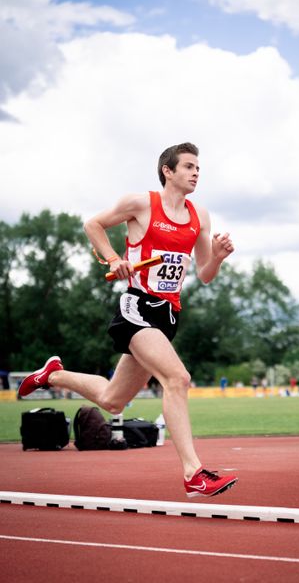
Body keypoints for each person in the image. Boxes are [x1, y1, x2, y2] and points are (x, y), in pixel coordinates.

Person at [18, 142, 238, 498]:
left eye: (198, 168)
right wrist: (112, 258)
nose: (196, 173)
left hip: (167, 315)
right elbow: (93, 224)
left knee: (113, 400)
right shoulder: (141, 204)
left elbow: (204, 272)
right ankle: (193, 473)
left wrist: (219, 257)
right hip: (137, 307)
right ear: (168, 171)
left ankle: (53, 373)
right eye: (188, 166)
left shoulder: (200, 216)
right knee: (177, 378)